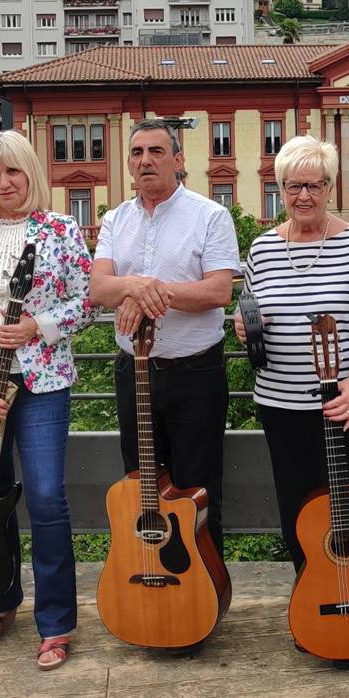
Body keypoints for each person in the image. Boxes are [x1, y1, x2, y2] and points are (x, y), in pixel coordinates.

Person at [0, 130, 93, 670]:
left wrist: (38, 325)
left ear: (31, 173)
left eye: (13, 172)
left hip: (41, 383)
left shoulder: (61, 229)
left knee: (47, 498)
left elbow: (85, 301)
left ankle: (56, 623)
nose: (4, 183)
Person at [234, 135, 349, 575]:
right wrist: (243, 324)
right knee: (295, 503)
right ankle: (312, 591)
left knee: (346, 505)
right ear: (280, 189)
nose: (303, 196)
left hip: (346, 404)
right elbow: (248, 309)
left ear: (329, 189)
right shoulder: (263, 249)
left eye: (314, 186)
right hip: (280, 403)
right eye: (293, 186)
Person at [89, 119, 240, 552]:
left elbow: (218, 290)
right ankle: (152, 591)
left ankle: (206, 593)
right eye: (137, 153)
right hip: (133, 373)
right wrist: (135, 287)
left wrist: (149, 290)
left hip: (195, 373)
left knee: (199, 488)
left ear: (178, 159)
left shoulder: (210, 215)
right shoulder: (116, 219)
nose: (145, 161)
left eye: (156, 151)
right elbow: (100, 289)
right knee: (142, 484)